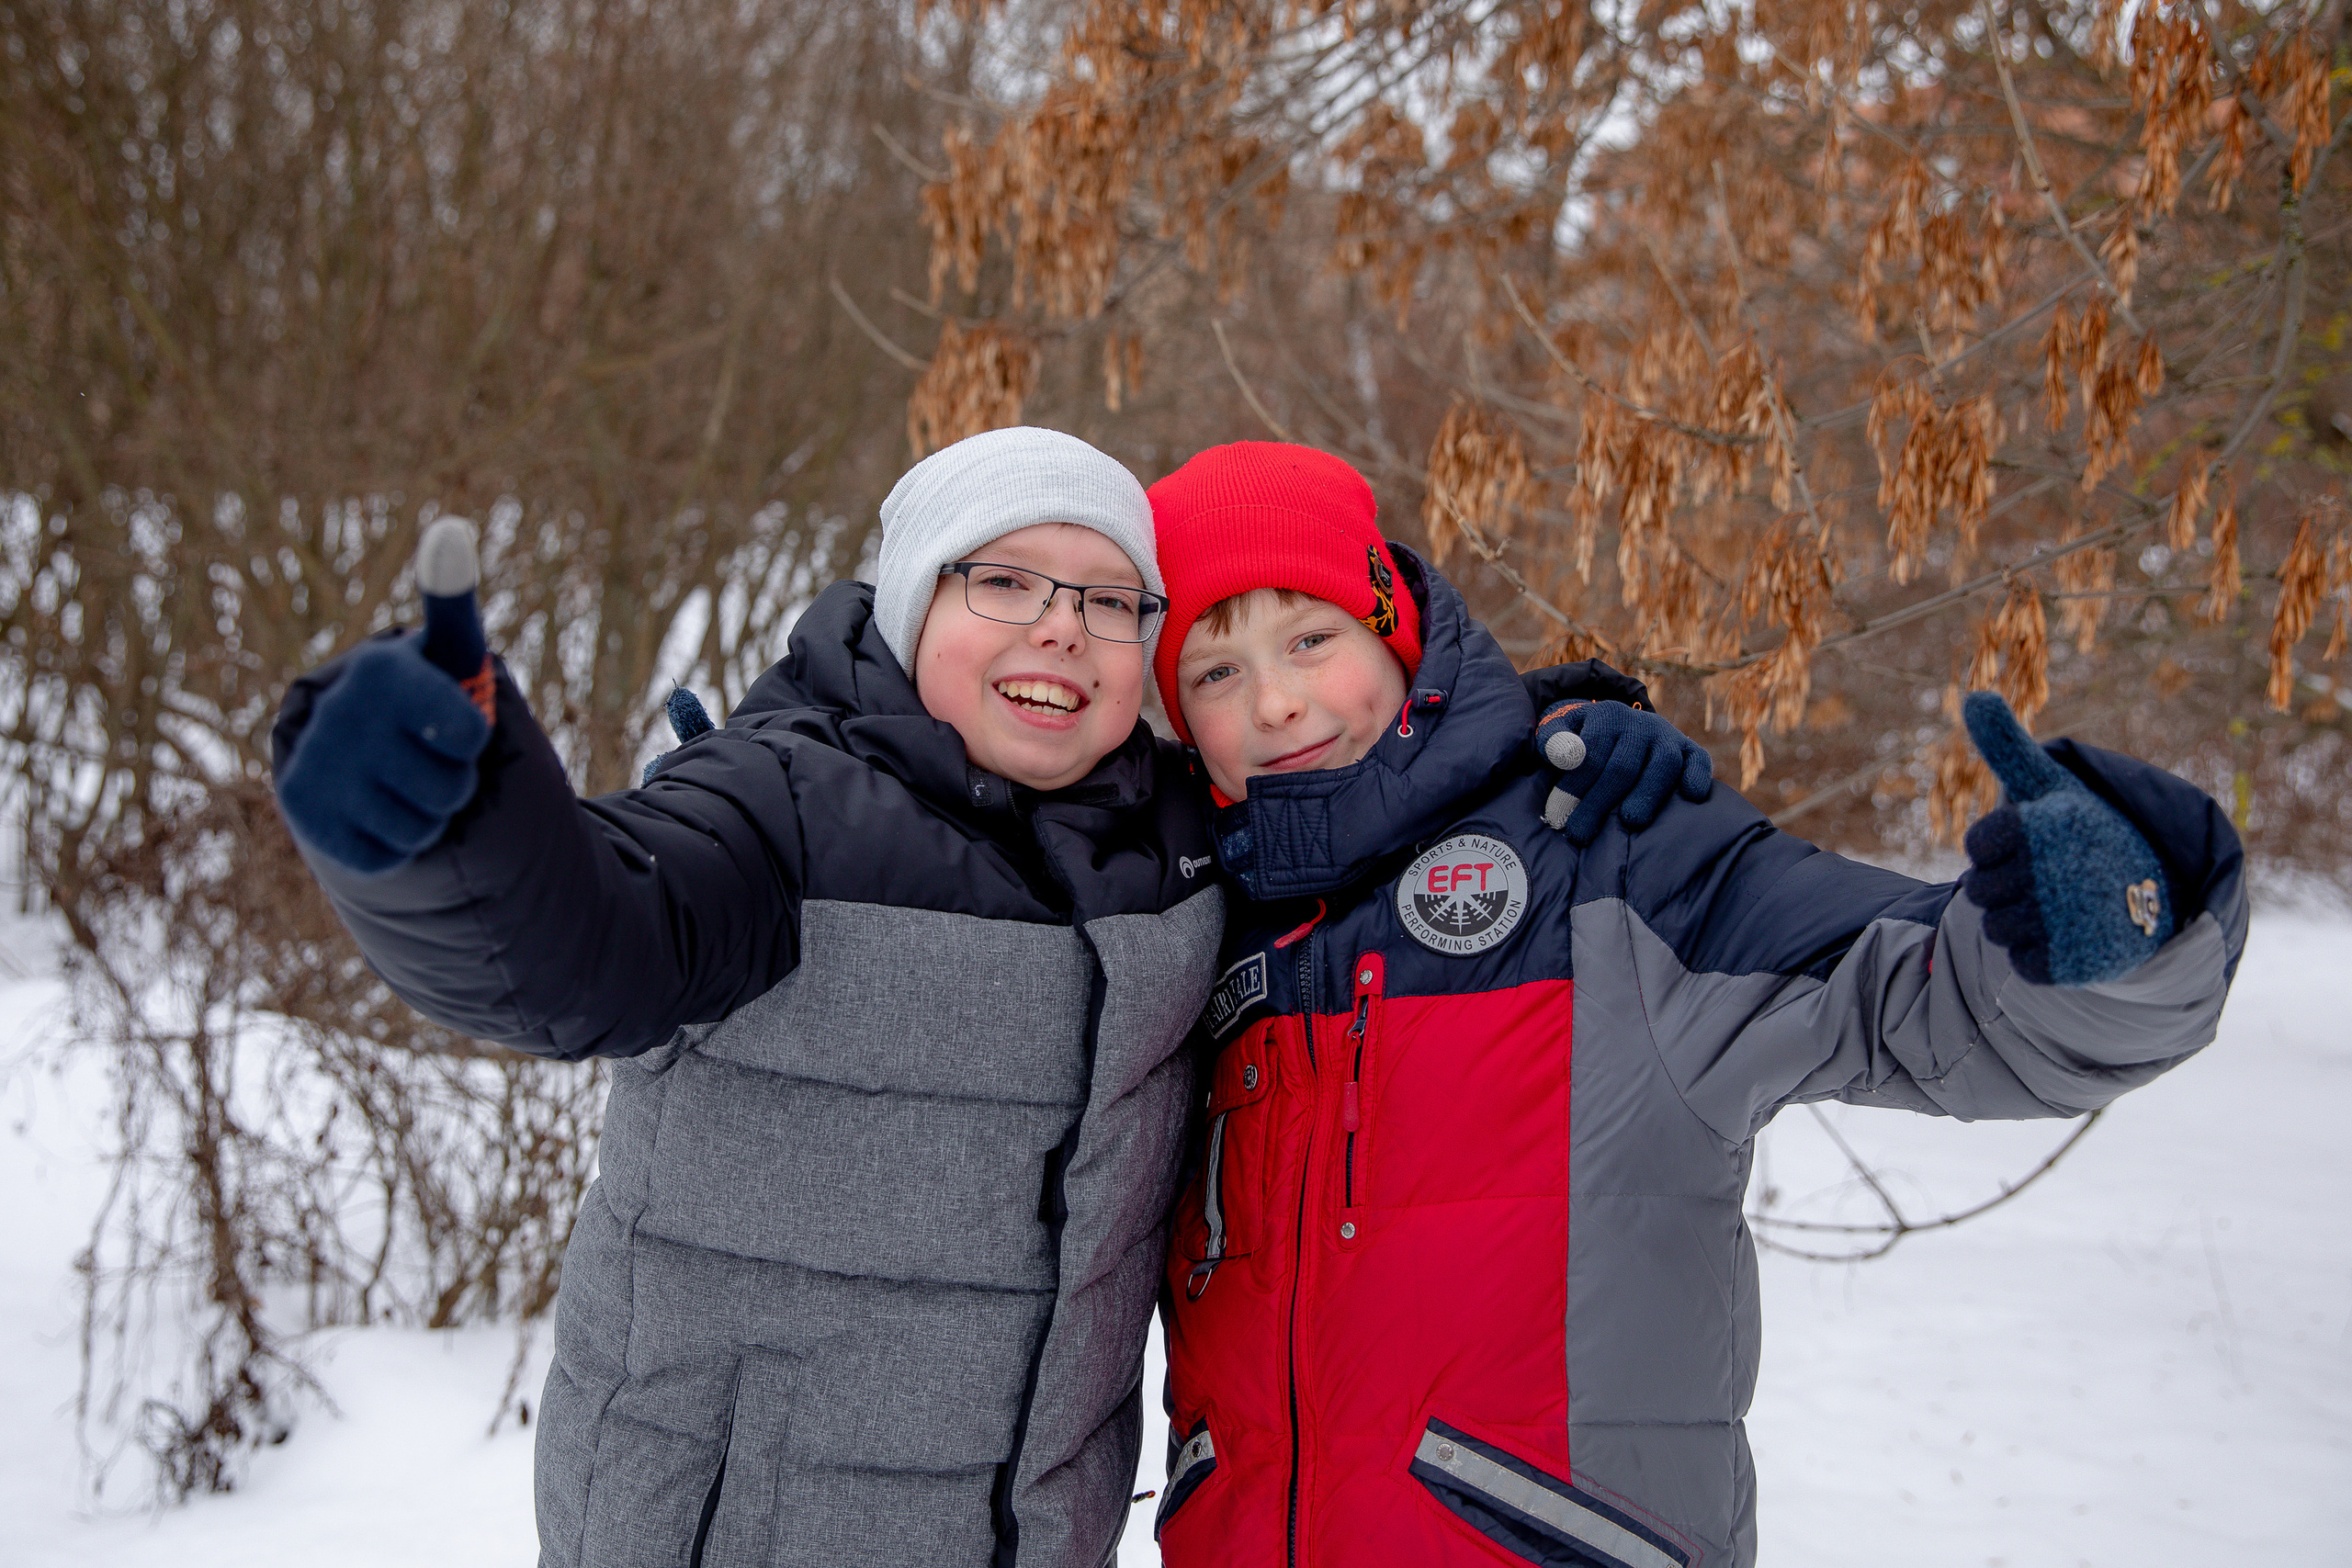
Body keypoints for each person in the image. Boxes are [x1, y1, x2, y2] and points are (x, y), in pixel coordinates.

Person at [267, 425, 1698, 1568]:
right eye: (1001, 580)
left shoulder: (1186, 844)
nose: (1058, 628)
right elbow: (576, 948)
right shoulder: (776, 802)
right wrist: (456, 830)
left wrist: (1568, 748)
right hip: (730, 1528)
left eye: (1105, 600)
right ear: (910, 606)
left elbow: (1378, 815)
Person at [1141, 441, 2245, 1568]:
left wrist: (2109, 928)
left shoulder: (1615, 856)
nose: (1274, 702)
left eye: (1310, 639)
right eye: (1214, 674)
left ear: (1395, 630)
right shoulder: (1185, 926)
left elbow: (1932, 1006)